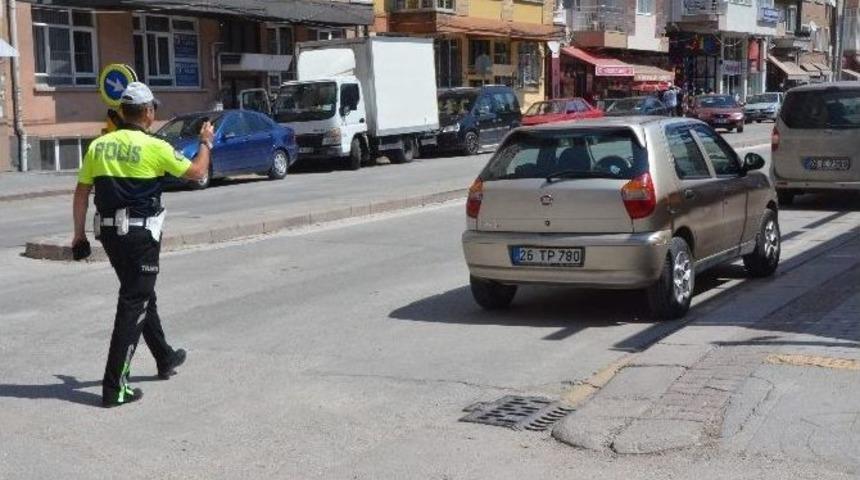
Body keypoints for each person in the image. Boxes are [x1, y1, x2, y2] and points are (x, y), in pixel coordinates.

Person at [71, 82, 215, 408]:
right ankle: (114, 388)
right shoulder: (155, 146)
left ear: (122, 111)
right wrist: (205, 142)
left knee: (140, 294)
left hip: (109, 234)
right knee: (133, 302)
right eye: (154, 109)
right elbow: (196, 171)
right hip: (141, 236)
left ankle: (164, 357)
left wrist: (78, 236)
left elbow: (81, 194)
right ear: (148, 112)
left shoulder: (99, 146)